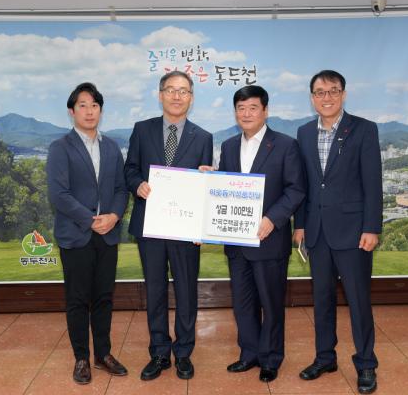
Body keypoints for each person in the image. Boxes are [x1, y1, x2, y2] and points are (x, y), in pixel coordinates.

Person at [293, 70, 382, 394]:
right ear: (312, 98)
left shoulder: (363, 129)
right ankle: (325, 357)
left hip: (354, 232)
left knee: (358, 301)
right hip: (317, 232)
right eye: (320, 92)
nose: (326, 97)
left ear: (343, 94)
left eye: (333, 91)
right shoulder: (304, 133)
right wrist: (300, 224)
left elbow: (373, 183)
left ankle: (366, 364)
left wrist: (371, 227)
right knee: (322, 300)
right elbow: (303, 185)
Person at [124, 71, 213, 380]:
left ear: (191, 98)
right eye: (171, 90)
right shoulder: (142, 129)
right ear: (160, 94)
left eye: (183, 91)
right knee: (156, 290)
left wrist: (207, 178)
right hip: (150, 225)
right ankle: (160, 352)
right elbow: (130, 169)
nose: (177, 96)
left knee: (187, 291)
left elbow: (204, 185)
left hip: (185, 229)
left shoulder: (203, 137)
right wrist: (138, 185)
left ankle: (184, 352)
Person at [217, 85, 305, 382]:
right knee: (243, 304)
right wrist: (209, 179)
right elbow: (225, 187)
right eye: (241, 108)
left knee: (271, 302)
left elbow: (296, 189)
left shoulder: (285, 145)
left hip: (269, 239)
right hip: (237, 241)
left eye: (253, 108)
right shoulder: (228, 146)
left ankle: (270, 358)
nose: (246, 114)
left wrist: (272, 219)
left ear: (265, 111)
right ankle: (249, 353)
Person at [46, 82, 129, 385]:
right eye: (83, 105)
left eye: (94, 105)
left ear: (100, 110)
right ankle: (81, 358)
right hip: (77, 234)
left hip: (107, 234)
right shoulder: (60, 147)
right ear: (72, 111)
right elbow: (59, 194)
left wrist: (114, 216)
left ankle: (103, 354)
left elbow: (121, 189)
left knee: (104, 297)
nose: (89, 111)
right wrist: (91, 220)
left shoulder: (111, 147)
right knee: (78, 299)